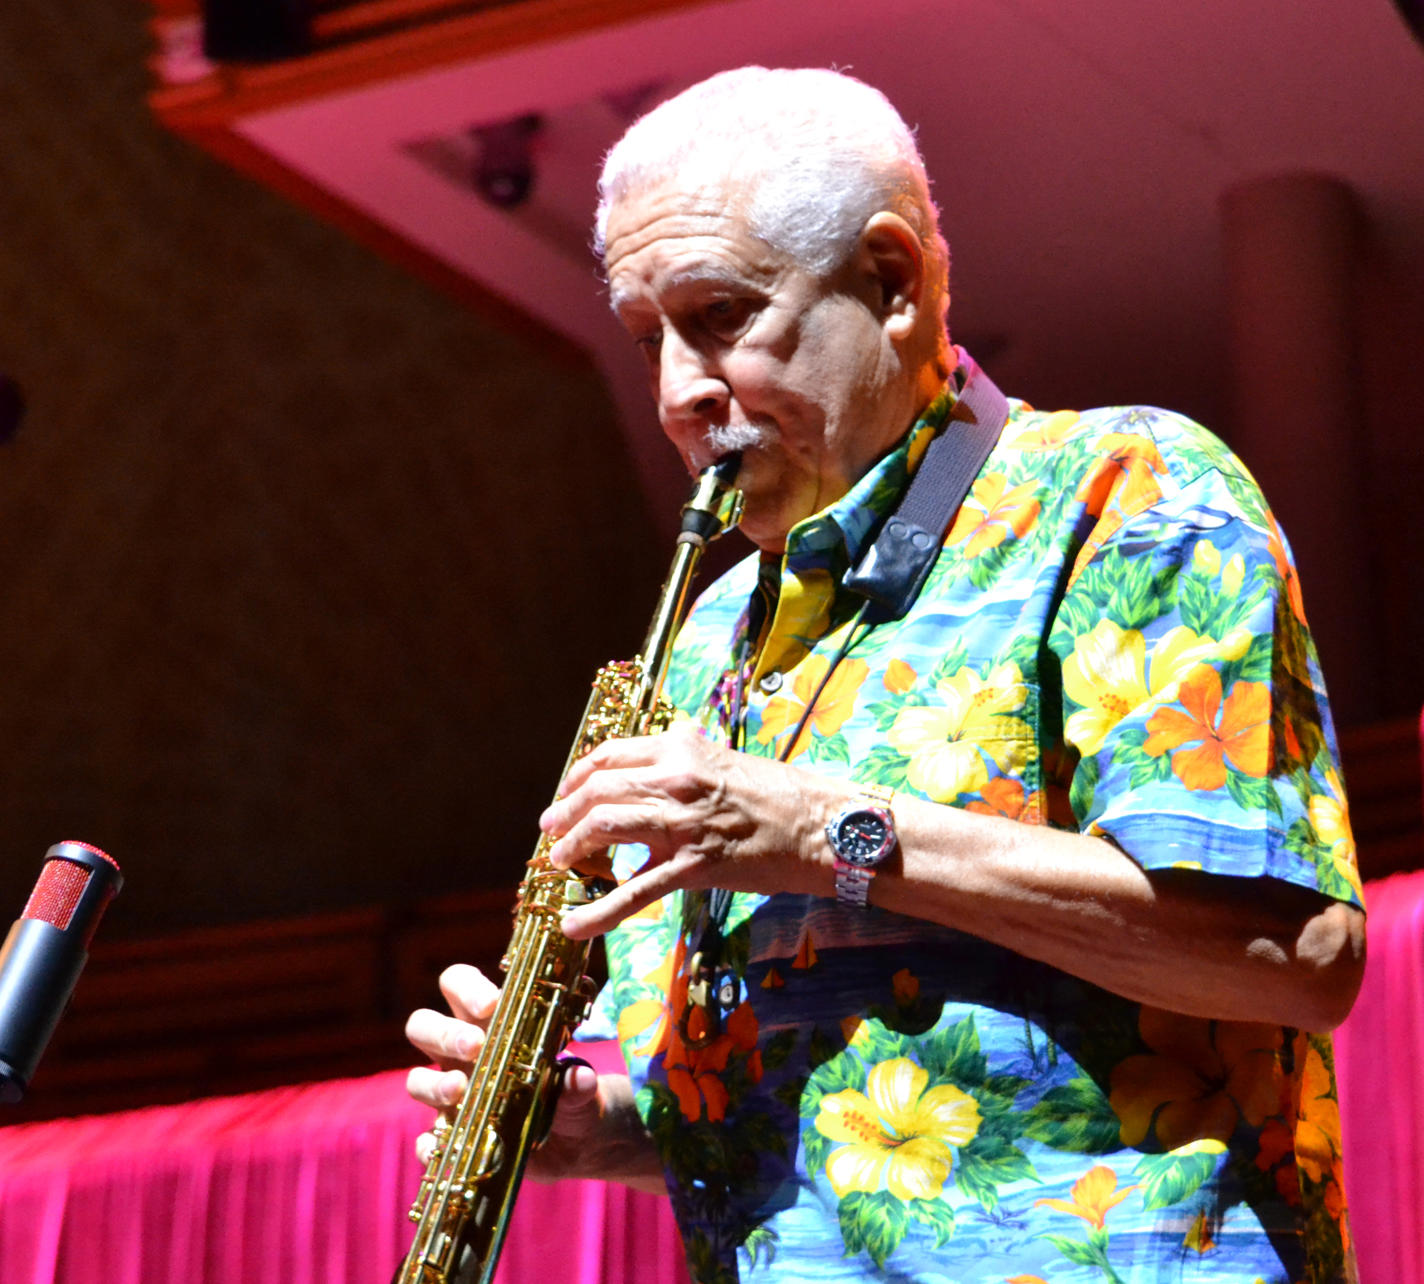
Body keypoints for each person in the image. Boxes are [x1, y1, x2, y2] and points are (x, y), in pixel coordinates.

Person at [404, 66, 1365, 1284]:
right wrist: (603, 1124)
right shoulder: (703, 641)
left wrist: (830, 831)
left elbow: (1300, 959)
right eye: (649, 337)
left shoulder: (1129, 492)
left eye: (720, 317)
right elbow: (777, 1086)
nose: (677, 394)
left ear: (895, 279)